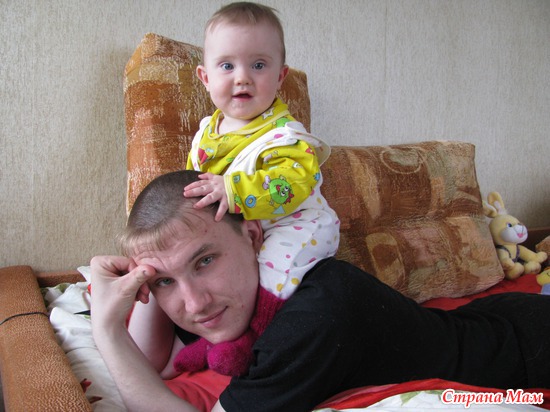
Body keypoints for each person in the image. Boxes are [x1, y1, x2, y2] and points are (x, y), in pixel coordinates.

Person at [91, 170, 550, 412]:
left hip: (528, 352)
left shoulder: (314, 316)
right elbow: (153, 363)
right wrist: (143, 276)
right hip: (487, 321)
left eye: (205, 261)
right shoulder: (225, 299)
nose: (193, 303)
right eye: (164, 282)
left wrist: (106, 332)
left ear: (252, 236)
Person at [178, 2, 339, 376]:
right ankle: (214, 336)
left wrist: (233, 190)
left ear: (281, 76)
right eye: (227, 66)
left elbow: (290, 185)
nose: (242, 78)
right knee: (221, 275)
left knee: (271, 270)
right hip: (244, 232)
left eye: (259, 65)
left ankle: (249, 340)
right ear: (205, 77)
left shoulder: (286, 136)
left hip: (295, 227)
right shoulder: (205, 134)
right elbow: (191, 184)